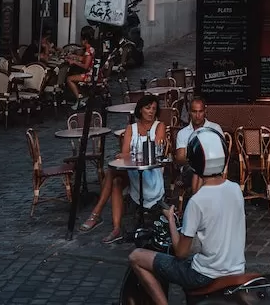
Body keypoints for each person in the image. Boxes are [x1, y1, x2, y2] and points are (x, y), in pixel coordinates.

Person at [128, 127, 246, 305]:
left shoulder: (197, 201)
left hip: (204, 275)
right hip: (237, 270)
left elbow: (181, 252)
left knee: (136, 256)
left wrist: (170, 221)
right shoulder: (235, 189)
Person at [81, 94, 168, 243]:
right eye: (148, 108)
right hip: (134, 172)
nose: (151, 111)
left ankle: (96, 213)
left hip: (151, 173)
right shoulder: (131, 128)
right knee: (115, 181)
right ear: (140, 110)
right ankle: (116, 229)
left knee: (112, 171)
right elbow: (125, 154)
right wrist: (127, 155)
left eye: (154, 108)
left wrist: (127, 155)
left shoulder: (159, 126)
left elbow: (154, 153)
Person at [175, 98, 223, 165]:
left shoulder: (215, 128)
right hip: (190, 169)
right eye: (194, 112)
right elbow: (180, 158)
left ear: (205, 111)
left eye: (200, 111)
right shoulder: (182, 133)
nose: (197, 116)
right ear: (189, 112)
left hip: (212, 167)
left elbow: (221, 154)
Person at [66, 26, 98, 110]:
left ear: (85, 40)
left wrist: (74, 62)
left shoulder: (88, 51)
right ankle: (83, 96)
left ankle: (79, 98)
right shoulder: (91, 48)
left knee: (69, 79)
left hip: (90, 75)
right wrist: (75, 57)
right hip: (94, 73)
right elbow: (85, 59)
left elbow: (86, 66)